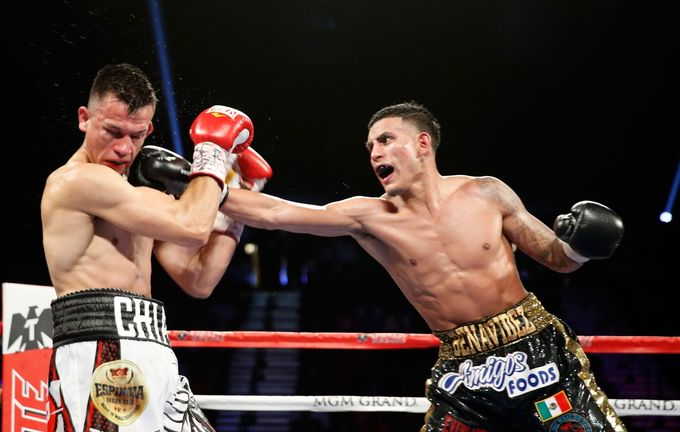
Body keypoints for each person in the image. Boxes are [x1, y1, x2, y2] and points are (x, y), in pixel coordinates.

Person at [219, 101, 626, 431]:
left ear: (422, 144)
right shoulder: (369, 216)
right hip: (463, 369)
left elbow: (557, 259)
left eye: (385, 140)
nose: (375, 152)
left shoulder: (487, 192)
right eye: (370, 147)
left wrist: (581, 247)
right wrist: (199, 177)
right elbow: (276, 212)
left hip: (537, 350)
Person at [40, 63, 268, 431]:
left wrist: (239, 197)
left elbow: (199, 278)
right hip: (103, 349)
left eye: (137, 135)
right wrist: (212, 154)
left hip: (151, 343)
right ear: (84, 118)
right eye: (113, 132)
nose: (124, 148)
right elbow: (193, 226)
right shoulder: (76, 180)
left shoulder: (137, 196)